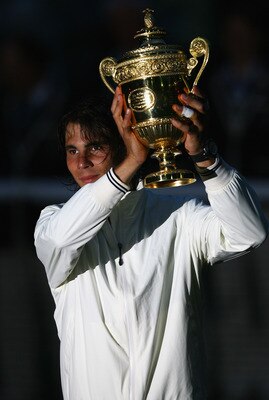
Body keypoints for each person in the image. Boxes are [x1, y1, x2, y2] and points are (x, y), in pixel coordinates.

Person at [34, 85, 268, 400]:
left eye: (96, 146)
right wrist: (128, 164)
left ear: (126, 142)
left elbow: (250, 233)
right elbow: (61, 239)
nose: (82, 162)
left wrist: (205, 157)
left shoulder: (180, 215)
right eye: (72, 150)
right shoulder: (53, 222)